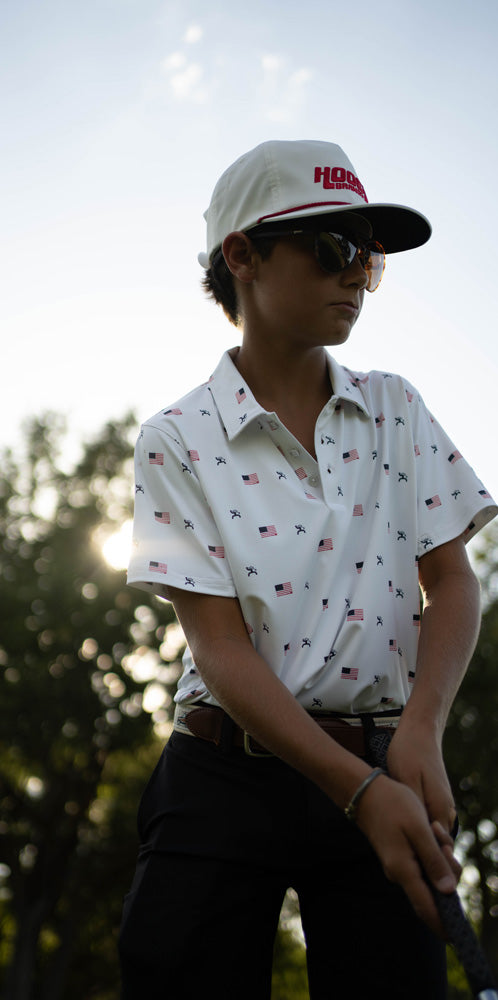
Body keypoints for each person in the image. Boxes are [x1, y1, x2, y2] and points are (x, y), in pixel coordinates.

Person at [118, 140, 497, 999]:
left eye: (368, 255)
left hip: (387, 760)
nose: (355, 276)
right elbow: (218, 646)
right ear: (242, 256)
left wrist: (421, 730)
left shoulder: (396, 406)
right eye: (332, 248)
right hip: (223, 776)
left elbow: (455, 582)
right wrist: (356, 789)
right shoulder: (176, 437)